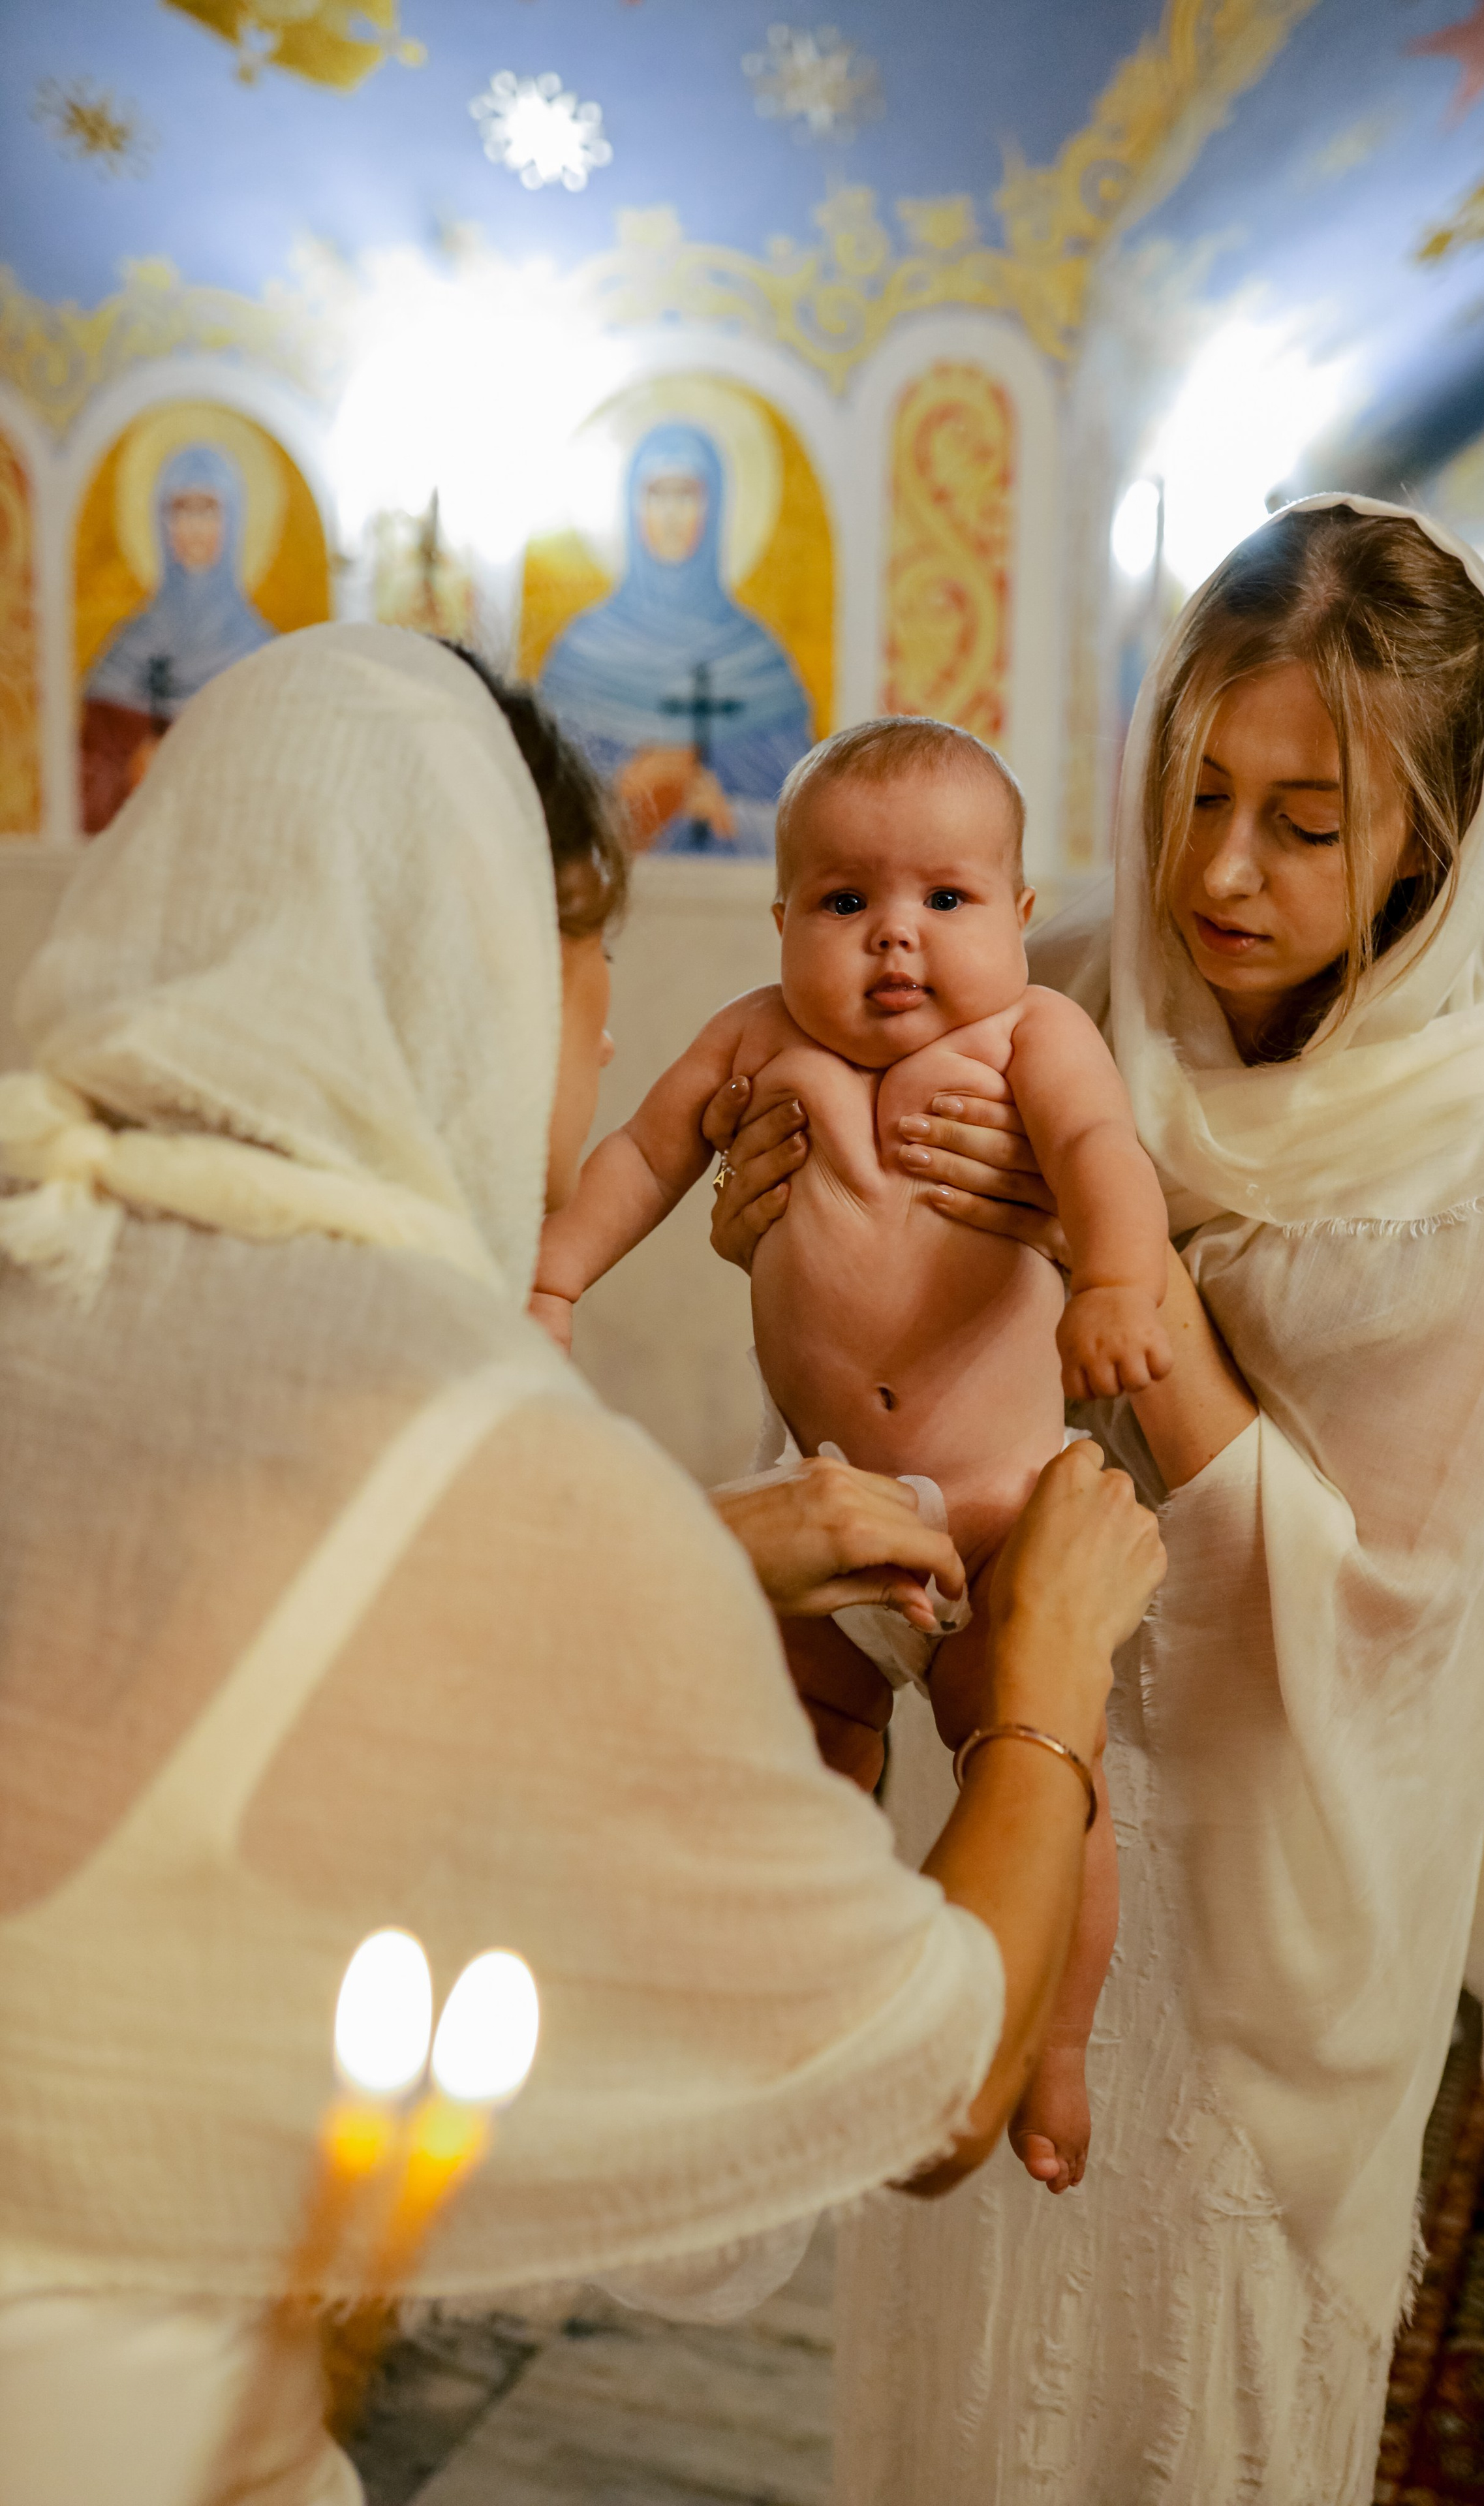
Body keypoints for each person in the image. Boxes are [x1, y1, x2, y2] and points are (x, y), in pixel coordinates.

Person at [0, 626, 1165, 2504]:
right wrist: (1043, 1690)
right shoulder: (478, 1440)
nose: (617, 1021)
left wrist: (698, 1551)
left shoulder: (52, 1261)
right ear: (469, 956)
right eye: (590, 950)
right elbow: (923, 2091)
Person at [707, 498, 1484, 2503]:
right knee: (964, 2343)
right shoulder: (1052, 991)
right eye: (1195, 787)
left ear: (1429, 828)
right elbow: (893, 1341)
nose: (1220, 868)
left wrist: (1131, 1276)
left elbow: (1399, 1616)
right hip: (1004, 1790)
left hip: (1263, 1884)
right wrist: (782, 1230)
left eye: (1306, 822)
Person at [532, 714, 1171, 2190]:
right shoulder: (758, 1037)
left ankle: (1050, 2048)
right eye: (844, 902)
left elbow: (1098, 1158)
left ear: (1015, 915)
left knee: (1042, 1774)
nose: (894, 941)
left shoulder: (1032, 1039)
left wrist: (1121, 1283)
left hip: (1003, 1518)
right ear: (781, 920)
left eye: (943, 901)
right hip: (822, 1509)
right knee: (793, 1747)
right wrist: (553, 1279)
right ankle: (788, 1990)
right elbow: (636, 1154)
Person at [538, 421, 812, 858]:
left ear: (716, 507)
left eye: (686, 495)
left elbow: (809, 819)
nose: (669, 513)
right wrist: (624, 792)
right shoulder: (580, 655)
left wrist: (727, 813)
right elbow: (536, 808)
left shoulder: (758, 661)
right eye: (655, 494)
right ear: (631, 507)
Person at [80, 443, 275, 834]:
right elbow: (93, 777)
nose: (195, 528)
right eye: (181, 510)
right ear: (161, 524)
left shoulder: (267, 655)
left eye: (208, 510)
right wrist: (135, 766)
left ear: (234, 522)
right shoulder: (130, 652)